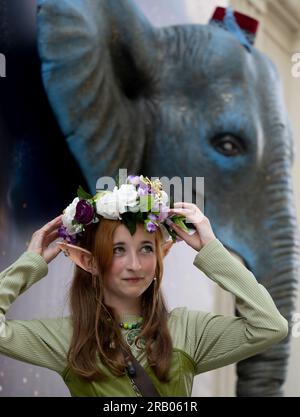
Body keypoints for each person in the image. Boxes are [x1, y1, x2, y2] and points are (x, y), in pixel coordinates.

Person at [0, 175, 288, 397]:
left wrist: (211, 250)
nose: (135, 265)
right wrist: (30, 264)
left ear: (162, 253)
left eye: (147, 249)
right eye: (118, 250)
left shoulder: (189, 329)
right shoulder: (68, 337)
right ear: (89, 262)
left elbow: (270, 325)